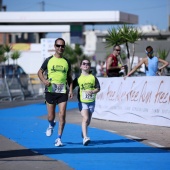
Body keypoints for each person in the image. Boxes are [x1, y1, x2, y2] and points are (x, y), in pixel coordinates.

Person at [37, 38, 73, 147]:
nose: (60, 48)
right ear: (54, 46)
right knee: (50, 116)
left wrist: (71, 90)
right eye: (58, 45)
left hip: (62, 92)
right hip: (50, 91)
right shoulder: (48, 60)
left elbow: (69, 78)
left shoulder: (66, 62)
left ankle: (58, 138)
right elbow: (39, 72)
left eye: (62, 46)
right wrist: (44, 81)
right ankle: (51, 124)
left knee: (62, 115)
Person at [73, 59, 100, 146]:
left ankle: (83, 131)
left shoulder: (93, 77)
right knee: (85, 118)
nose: (86, 65)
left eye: (88, 64)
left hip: (91, 101)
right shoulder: (78, 78)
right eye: (84, 64)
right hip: (82, 101)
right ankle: (85, 138)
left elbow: (98, 88)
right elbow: (71, 86)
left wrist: (93, 91)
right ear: (80, 66)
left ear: (90, 66)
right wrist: (69, 92)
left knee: (88, 120)